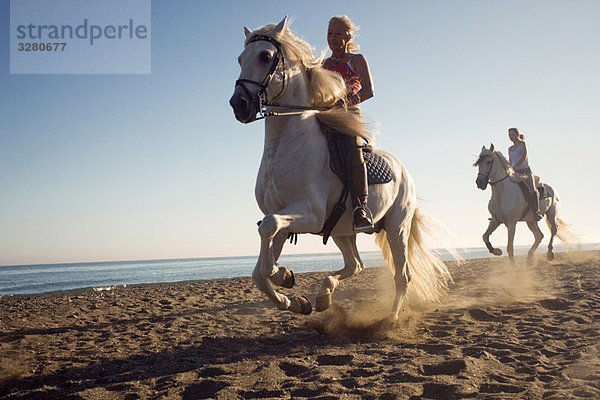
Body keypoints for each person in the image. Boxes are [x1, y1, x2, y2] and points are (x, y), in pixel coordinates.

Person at [322, 15, 375, 232]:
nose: (332, 38)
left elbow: (369, 91)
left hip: (350, 117)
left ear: (348, 37)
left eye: (337, 33)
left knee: (354, 149)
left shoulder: (357, 59)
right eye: (329, 34)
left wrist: (345, 102)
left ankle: (361, 208)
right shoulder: (324, 64)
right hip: (327, 115)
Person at [508, 127, 542, 220]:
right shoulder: (510, 149)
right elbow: (510, 161)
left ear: (517, 134)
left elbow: (524, 157)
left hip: (525, 171)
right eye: (509, 135)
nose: (511, 136)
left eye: (512, 134)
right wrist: (509, 169)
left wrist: (516, 166)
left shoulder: (523, 144)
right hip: (515, 173)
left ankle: (536, 211)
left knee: (532, 189)